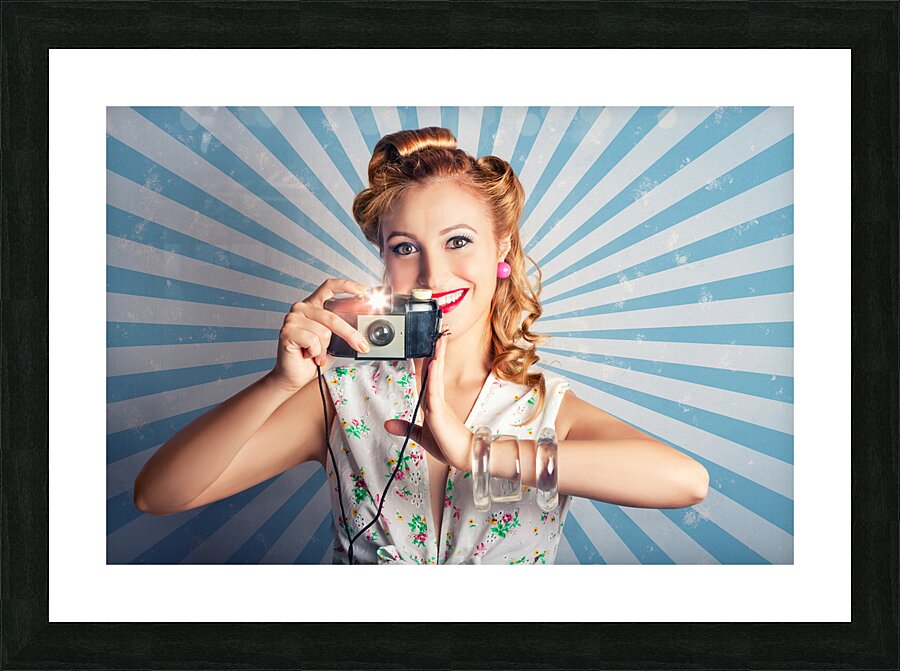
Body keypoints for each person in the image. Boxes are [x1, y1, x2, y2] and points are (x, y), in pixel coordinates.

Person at [133, 126, 709, 565]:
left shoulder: (545, 409)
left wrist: (472, 452)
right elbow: (158, 496)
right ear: (382, 258)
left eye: (458, 240)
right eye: (405, 247)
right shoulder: (341, 397)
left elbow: (685, 481)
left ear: (500, 247)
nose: (433, 274)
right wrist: (279, 383)